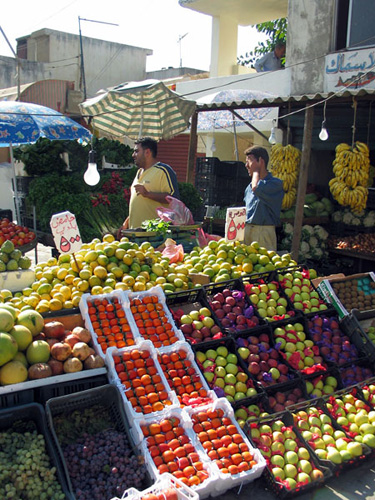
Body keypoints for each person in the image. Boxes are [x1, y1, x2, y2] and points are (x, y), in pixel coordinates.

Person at [118, 137, 180, 232]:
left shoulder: (163, 171)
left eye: (136, 151)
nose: (133, 155)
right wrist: (126, 223)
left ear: (147, 152)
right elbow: (139, 204)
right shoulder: (139, 172)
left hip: (154, 235)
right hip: (135, 234)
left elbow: (174, 200)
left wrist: (148, 194)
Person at [243, 146, 284, 252]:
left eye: (250, 161)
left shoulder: (275, 184)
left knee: (265, 266)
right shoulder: (249, 187)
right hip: (248, 230)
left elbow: (257, 188)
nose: (246, 165)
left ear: (261, 161)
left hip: (264, 232)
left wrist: (256, 171)